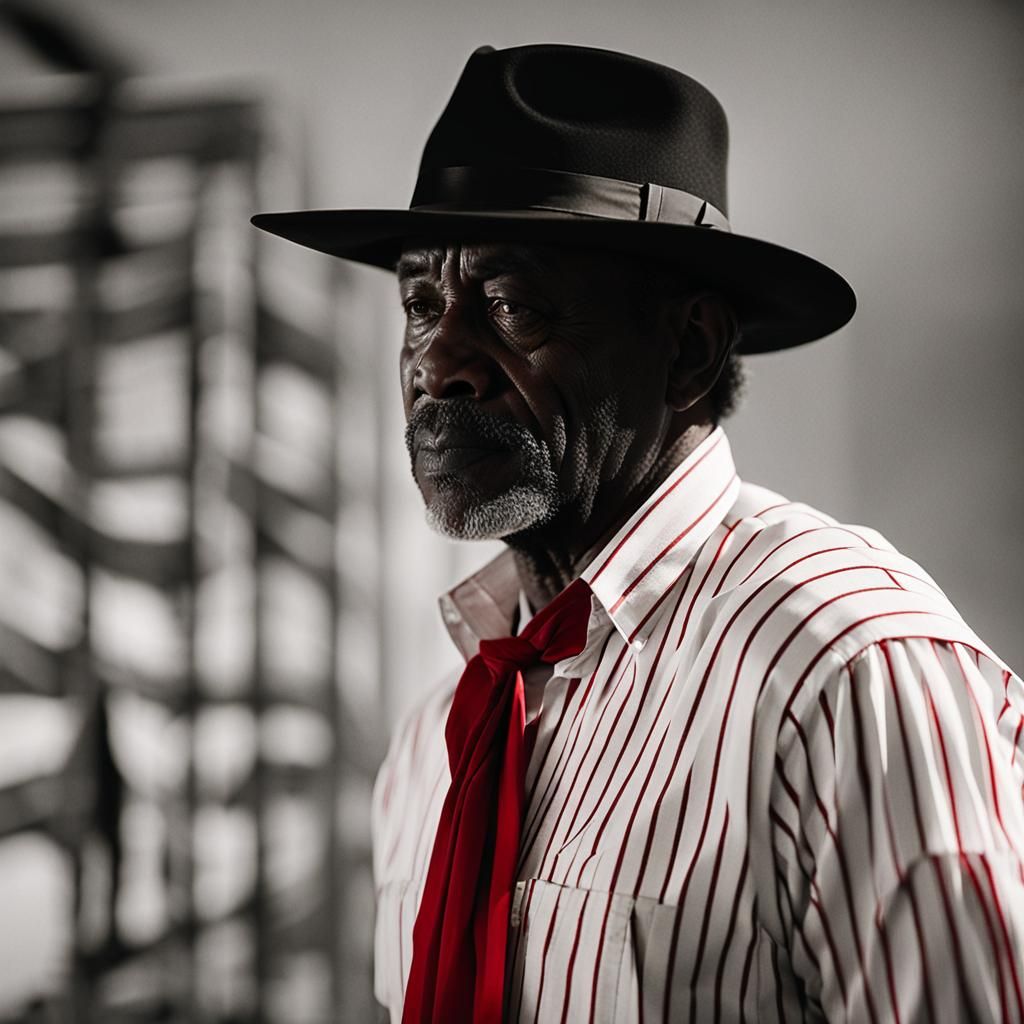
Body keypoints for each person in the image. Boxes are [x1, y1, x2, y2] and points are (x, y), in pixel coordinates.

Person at [254, 43, 1024, 1024]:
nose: (438, 362)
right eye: (420, 303)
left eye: (508, 304)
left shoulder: (844, 668)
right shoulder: (435, 743)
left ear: (689, 348)